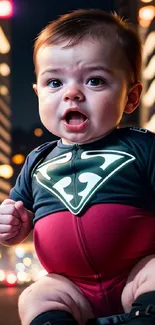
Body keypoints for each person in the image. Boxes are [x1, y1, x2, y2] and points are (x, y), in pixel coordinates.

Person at [0, 8, 155, 325]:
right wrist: (12, 226)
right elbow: (21, 218)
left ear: (131, 97)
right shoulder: (37, 161)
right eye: (54, 82)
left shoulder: (142, 146)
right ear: (38, 93)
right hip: (71, 287)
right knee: (36, 295)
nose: (72, 93)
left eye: (95, 81)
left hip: (136, 272)